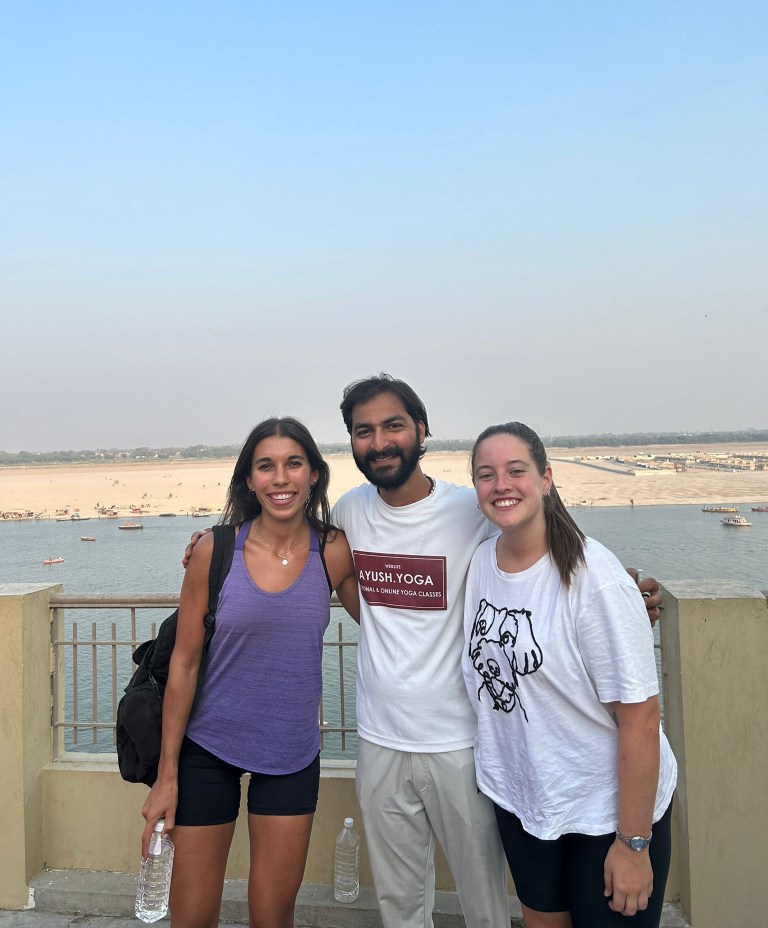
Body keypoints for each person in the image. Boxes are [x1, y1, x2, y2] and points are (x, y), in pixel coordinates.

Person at [183, 377, 663, 928]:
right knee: (401, 905)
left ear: (422, 430)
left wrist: (623, 593)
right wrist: (216, 539)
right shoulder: (350, 513)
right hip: (379, 740)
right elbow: (286, 540)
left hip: (464, 742)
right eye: (364, 431)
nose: (380, 441)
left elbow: (540, 544)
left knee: (484, 902)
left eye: (393, 425)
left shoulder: (470, 509)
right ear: (352, 445)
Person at [144, 417, 359, 928]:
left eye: (293, 464)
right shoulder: (213, 552)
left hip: (290, 751)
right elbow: (185, 661)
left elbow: (390, 621)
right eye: (266, 466)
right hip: (207, 748)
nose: (280, 478)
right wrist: (166, 775)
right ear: (249, 479)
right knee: (192, 917)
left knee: (272, 915)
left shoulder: (334, 550)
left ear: (314, 475)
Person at [462, 422, 677, 928]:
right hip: (524, 801)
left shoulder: (595, 579)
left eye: (516, 471)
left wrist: (633, 843)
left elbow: (642, 718)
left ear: (546, 479)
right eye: (486, 475)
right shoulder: (479, 564)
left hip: (604, 812)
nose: (501, 485)